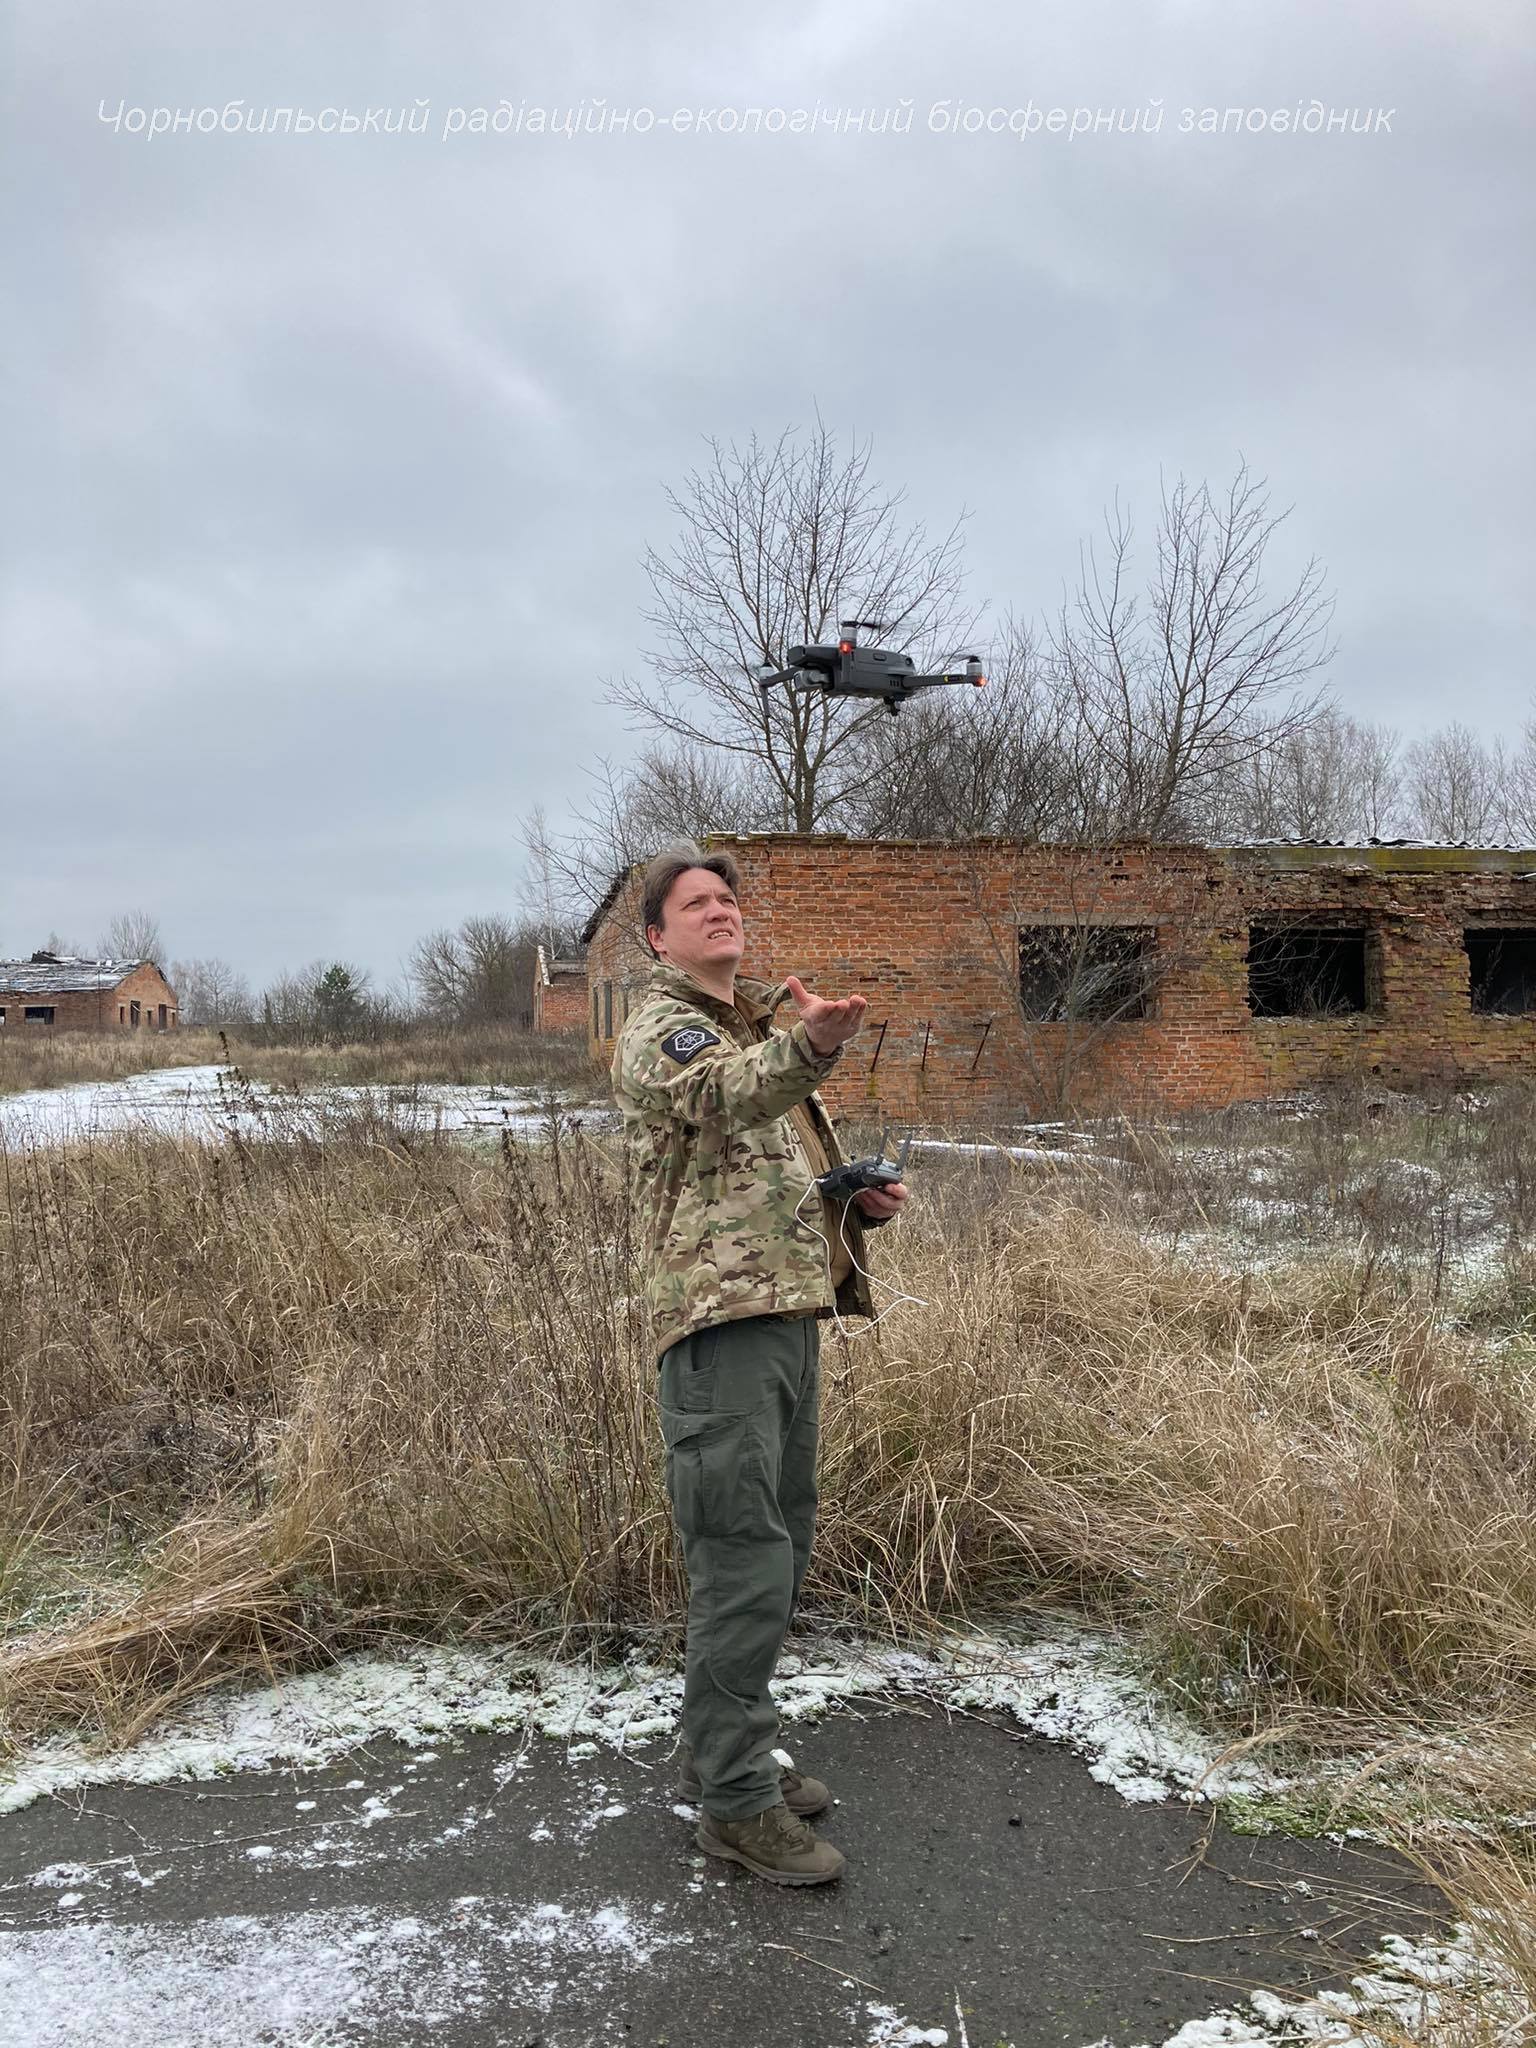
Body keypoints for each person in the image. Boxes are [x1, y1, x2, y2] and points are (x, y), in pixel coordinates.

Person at [611, 840, 910, 1887]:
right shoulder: (662, 1028)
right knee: (741, 1560)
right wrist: (812, 1045)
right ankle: (735, 1802)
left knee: (775, 1548)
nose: (719, 910)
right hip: (718, 1329)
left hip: (783, 1314)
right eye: (695, 902)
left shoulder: (749, 1031)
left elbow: (747, 1172)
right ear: (657, 935)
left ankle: (721, 1749)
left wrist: (848, 1195)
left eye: (728, 897)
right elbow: (722, 1096)